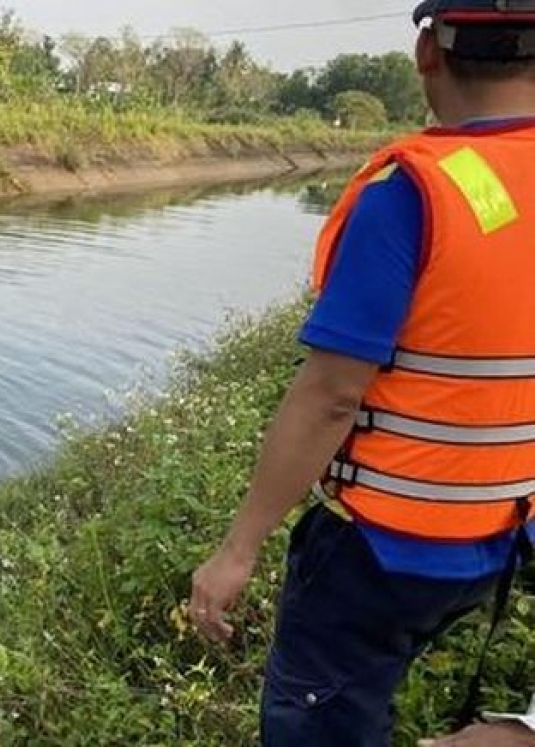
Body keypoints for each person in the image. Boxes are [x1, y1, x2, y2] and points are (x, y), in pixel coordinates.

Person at [188, 1, 535, 744]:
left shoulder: (413, 192)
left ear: (425, 51)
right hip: (502, 534)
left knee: (321, 722)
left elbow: (331, 396)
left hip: (380, 547)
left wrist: (236, 549)